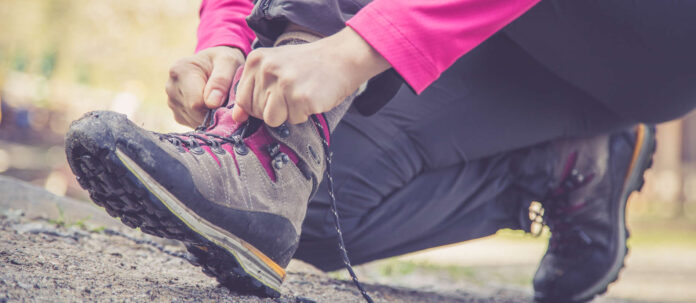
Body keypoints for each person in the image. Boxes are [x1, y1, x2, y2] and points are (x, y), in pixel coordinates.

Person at [64, 0, 695, 302]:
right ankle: (570, 165)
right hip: (517, 48)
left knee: (290, 167)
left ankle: (271, 156)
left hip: (656, 36)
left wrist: (350, 51)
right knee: (309, 214)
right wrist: (228, 41)